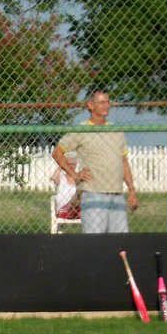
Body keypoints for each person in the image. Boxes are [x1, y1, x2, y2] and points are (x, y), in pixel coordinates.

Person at [51, 90, 138, 233]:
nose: (107, 106)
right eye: (102, 102)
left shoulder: (116, 131)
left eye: (108, 102)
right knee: (94, 243)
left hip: (117, 196)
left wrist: (132, 191)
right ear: (91, 105)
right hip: (93, 195)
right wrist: (75, 174)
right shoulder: (82, 130)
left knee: (120, 243)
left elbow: (124, 162)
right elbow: (57, 153)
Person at [50, 152, 81, 221]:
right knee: (78, 194)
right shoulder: (61, 177)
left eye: (74, 164)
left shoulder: (78, 178)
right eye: (70, 164)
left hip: (76, 209)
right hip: (64, 209)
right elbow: (54, 178)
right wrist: (62, 165)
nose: (72, 166)